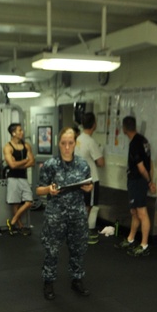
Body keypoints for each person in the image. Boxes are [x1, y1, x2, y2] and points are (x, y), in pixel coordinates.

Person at [36, 127, 94, 300]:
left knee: (78, 248)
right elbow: (39, 190)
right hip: (56, 214)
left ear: (75, 143)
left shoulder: (83, 164)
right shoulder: (50, 165)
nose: (67, 147)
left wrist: (88, 188)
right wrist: (48, 189)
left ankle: (77, 279)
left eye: (70, 143)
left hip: (77, 213)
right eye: (63, 143)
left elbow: (89, 185)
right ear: (58, 144)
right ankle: (48, 282)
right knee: (52, 250)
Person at [116, 116, 155, 257]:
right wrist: (150, 180)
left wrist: (149, 182)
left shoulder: (135, 144)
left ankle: (144, 245)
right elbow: (150, 163)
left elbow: (141, 167)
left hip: (138, 181)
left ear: (124, 128)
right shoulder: (143, 140)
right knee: (134, 212)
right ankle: (130, 239)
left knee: (142, 213)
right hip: (136, 181)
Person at [76, 113, 106, 243]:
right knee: (88, 207)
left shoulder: (78, 140)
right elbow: (101, 163)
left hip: (79, 179)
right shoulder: (90, 141)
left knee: (82, 206)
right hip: (90, 179)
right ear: (94, 124)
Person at [4, 123, 35, 235]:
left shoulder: (26, 146)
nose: (22, 132)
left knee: (29, 201)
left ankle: (12, 222)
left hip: (23, 177)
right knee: (15, 203)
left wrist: (19, 164)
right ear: (13, 133)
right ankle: (20, 226)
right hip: (13, 178)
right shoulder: (8, 147)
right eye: (20, 130)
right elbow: (12, 166)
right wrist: (25, 160)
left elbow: (33, 161)